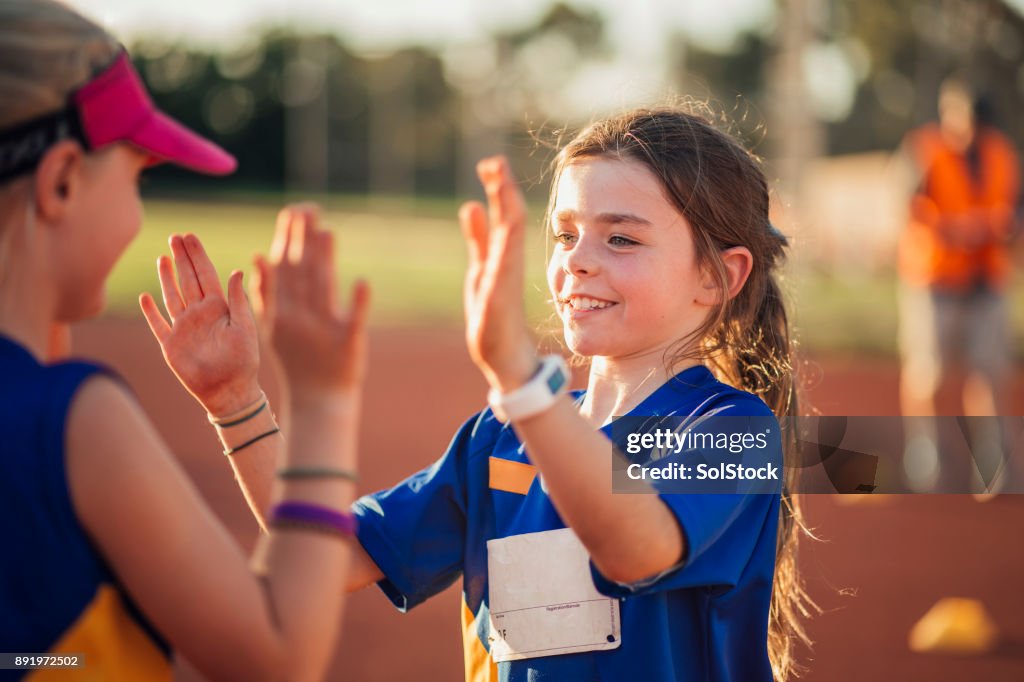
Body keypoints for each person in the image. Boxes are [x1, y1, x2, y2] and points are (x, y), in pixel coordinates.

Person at [152, 107, 814, 681]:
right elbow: (328, 558)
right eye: (564, 233)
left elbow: (635, 551)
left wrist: (523, 383)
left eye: (621, 237)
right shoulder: (498, 438)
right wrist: (235, 402)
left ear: (718, 277)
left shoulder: (737, 433)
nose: (577, 259)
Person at [0, 2, 369, 680]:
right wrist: (322, 399)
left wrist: (235, 400)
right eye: (138, 176)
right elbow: (278, 655)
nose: (140, 207)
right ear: (59, 182)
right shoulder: (75, 419)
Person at [897, 76, 1020, 491]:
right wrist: (951, 229)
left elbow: (1016, 209)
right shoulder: (925, 151)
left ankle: (994, 467)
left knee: (988, 373)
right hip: (935, 279)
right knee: (928, 372)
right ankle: (927, 456)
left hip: (986, 280)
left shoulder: (1001, 154)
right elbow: (903, 206)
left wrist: (1004, 229)